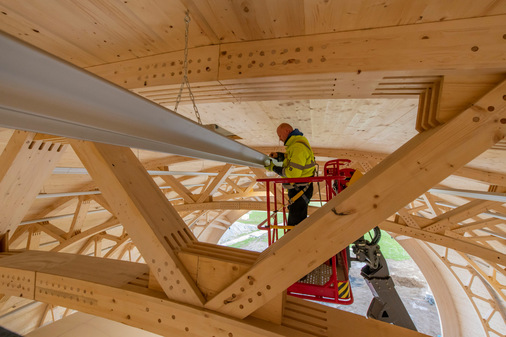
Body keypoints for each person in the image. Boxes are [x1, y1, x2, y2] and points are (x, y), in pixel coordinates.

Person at [265, 123, 316, 227]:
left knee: (295, 226)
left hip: (300, 189)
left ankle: (296, 242)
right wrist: (280, 156)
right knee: (297, 222)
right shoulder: (296, 144)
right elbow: (294, 159)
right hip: (301, 189)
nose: (280, 139)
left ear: (287, 131)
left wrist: (273, 168)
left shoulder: (297, 147)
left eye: (280, 135)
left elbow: (292, 174)